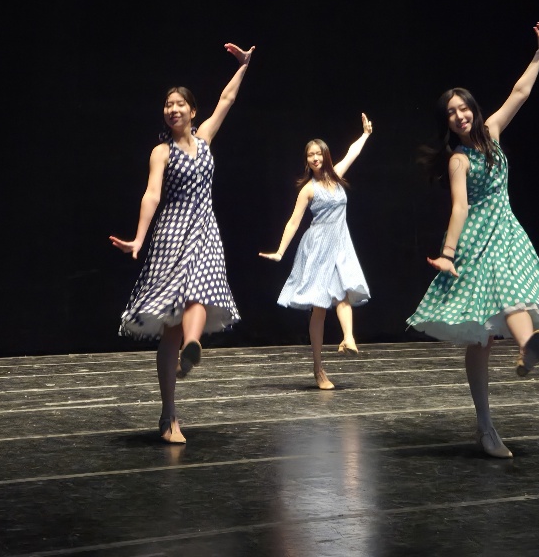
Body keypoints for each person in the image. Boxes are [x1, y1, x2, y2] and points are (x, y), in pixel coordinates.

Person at [407, 22, 539, 459]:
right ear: (447, 122)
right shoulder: (458, 160)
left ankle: (527, 349)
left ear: (474, 110)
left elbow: (520, 93)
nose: (460, 115)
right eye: (452, 112)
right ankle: (486, 426)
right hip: (478, 239)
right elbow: (460, 208)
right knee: (480, 340)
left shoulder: (493, 132)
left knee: (513, 293)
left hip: (508, 230)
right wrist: (448, 253)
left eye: (464, 108)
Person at [111, 43, 254, 444]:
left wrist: (243, 66)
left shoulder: (204, 138)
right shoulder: (162, 152)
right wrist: (139, 238)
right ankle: (169, 414)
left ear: (192, 111)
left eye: (179, 105)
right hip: (173, 232)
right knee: (170, 329)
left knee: (200, 290)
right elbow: (152, 195)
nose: (172, 109)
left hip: (205, 228)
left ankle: (192, 346)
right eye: (168, 105)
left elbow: (226, 99)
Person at [260, 113, 374, 389]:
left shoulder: (337, 177)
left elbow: (352, 153)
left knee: (344, 291)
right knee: (320, 307)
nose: (314, 158)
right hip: (318, 246)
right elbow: (293, 222)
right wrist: (280, 251)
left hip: (340, 244)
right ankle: (318, 368)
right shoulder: (308, 190)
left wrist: (365, 134)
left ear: (325, 155)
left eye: (318, 153)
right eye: (310, 155)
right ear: (307, 160)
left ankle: (348, 338)